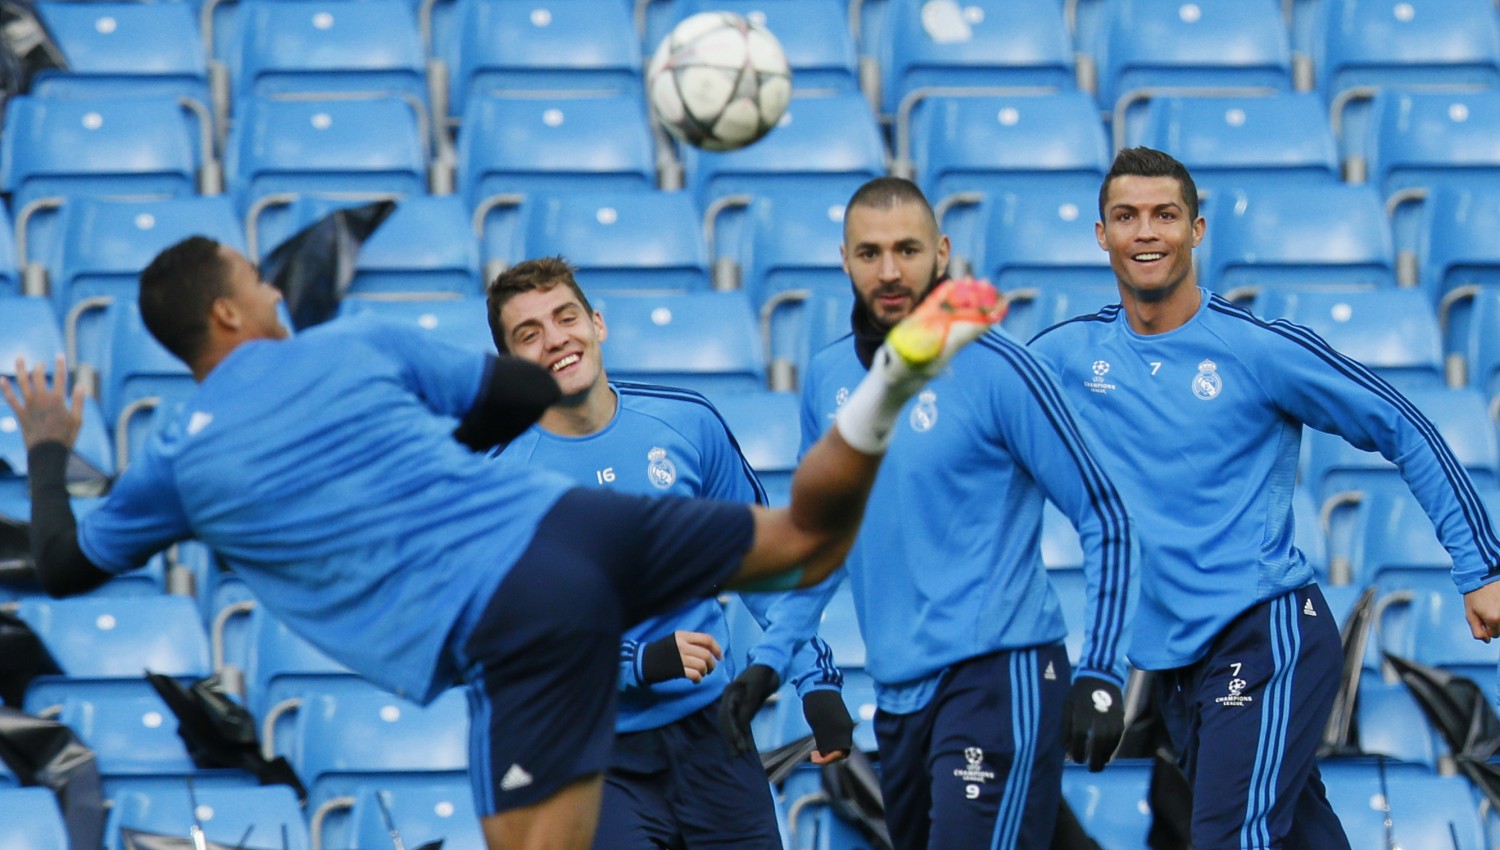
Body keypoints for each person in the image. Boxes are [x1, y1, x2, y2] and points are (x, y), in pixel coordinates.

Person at [0, 235, 1003, 850]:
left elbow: (64, 565)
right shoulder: (351, 345)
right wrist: (435, 449)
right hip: (562, 531)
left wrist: (50, 447)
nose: (271, 291)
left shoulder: (175, 455)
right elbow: (523, 391)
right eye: (256, 281)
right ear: (227, 311)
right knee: (803, 538)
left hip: (511, 618)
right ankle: (887, 384)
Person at [1028, 146, 1500, 850]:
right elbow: (980, 443)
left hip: (1266, 635)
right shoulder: (1065, 356)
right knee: (1300, 838)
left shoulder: (1257, 350)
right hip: (1175, 667)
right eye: (1126, 216)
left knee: (1231, 839)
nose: (1146, 232)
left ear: (1197, 230)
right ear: (1102, 235)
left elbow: (1404, 424)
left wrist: (1481, 568)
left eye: (1165, 214)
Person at [798, 176, 1137, 850]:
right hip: (897, 693)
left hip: (1000, 675)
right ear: (844, 260)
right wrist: (815, 678)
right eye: (869, 253)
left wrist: (1102, 670)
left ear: (942, 253)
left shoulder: (1001, 370)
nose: (889, 271)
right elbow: (818, 536)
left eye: (907, 250)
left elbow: (1106, 516)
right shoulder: (826, 379)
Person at [484, 257, 853, 849]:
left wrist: (816, 681)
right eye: (529, 334)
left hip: (715, 739)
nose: (556, 340)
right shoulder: (503, 486)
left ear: (597, 324)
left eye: (565, 317)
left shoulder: (686, 425)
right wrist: (636, 662)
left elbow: (765, 564)